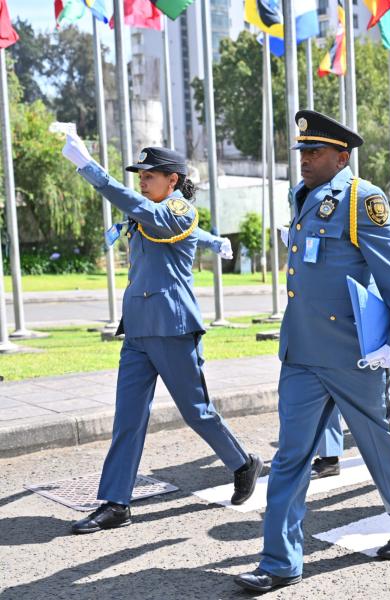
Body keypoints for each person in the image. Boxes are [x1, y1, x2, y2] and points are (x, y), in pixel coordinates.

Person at [234, 111, 390, 593]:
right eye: (302, 151)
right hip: (302, 352)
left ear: (343, 156)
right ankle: (279, 561)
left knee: (382, 442)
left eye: (315, 152)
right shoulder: (302, 197)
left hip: (353, 354)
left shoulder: (364, 199)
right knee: (291, 458)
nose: (305, 160)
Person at [60, 141, 261, 534]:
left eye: (149, 176)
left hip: (172, 326)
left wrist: (90, 168)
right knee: (128, 417)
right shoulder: (155, 215)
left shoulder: (177, 210)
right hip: (137, 327)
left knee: (196, 411)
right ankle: (116, 502)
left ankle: (242, 462)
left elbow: (167, 219)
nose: (143, 181)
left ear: (173, 181)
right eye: (141, 176)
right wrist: (214, 241)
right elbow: (183, 231)